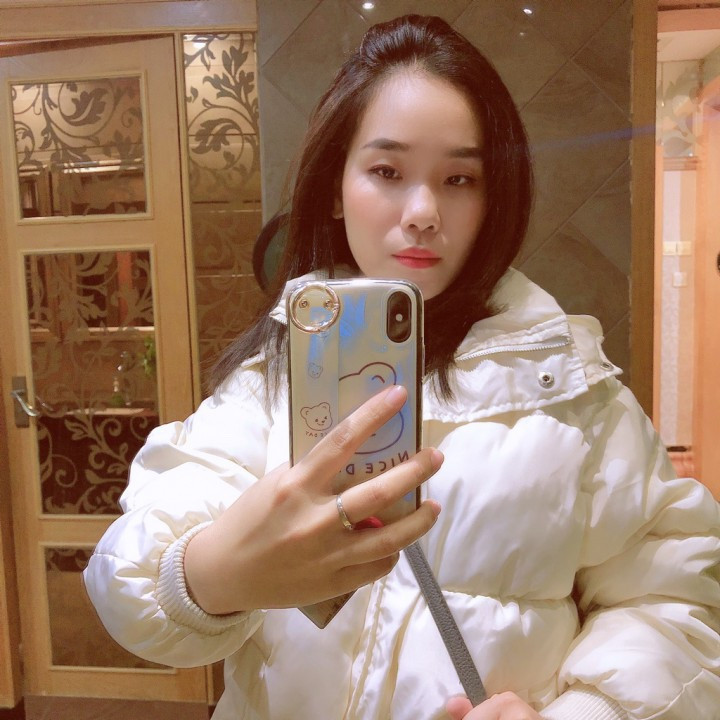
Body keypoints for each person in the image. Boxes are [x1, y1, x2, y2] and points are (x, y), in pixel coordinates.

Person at [84, 14, 720, 720]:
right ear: (336, 187)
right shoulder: (270, 384)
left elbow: (675, 602)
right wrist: (207, 576)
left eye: (459, 178)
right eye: (387, 171)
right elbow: (129, 571)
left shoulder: (575, 395)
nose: (422, 212)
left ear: (493, 197)